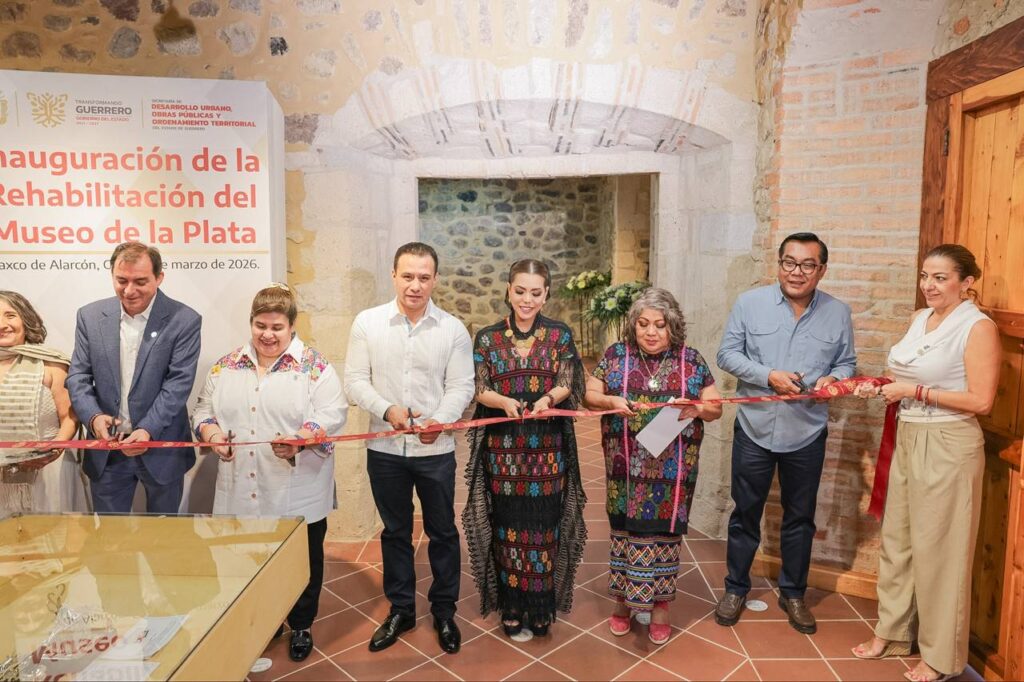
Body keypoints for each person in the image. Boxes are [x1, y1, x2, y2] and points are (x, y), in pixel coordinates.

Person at [850, 244, 1000, 682]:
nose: (928, 286)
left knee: (942, 553)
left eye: (940, 278)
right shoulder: (921, 319)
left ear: (966, 282)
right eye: (924, 276)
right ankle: (893, 632)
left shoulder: (978, 327)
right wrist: (879, 385)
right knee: (897, 541)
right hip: (909, 434)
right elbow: (909, 375)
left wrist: (911, 393)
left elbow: (981, 401)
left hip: (949, 443)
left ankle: (940, 657)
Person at [193, 283, 347, 662]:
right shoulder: (226, 366)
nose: (267, 334)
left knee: (301, 561)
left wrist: (300, 440)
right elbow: (203, 410)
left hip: (297, 489)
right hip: (240, 487)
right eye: (260, 325)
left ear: (292, 326)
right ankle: (266, 619)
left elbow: (333, 414)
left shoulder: (314, 367)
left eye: (277, 327)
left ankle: (301, 624)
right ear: (251, 323)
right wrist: (212, 435)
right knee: (250, 558)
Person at [715, 232, 856, 634]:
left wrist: (833, 378)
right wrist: (768, 376)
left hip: (807, 431)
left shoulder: (838, 313)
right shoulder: (750, 303)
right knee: (745, 513)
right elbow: (727, 354)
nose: (797, 272)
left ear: (821, 270)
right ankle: (735, 588)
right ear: (778, 264)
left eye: (808, 265)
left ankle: (793, 593)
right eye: (789, 262)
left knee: (800, 517)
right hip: (754, 428)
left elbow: (847, 363)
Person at [344, 242, 474, 655]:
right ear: (393, 275)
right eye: (407, 276)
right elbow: (355, 381)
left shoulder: (452, 329)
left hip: (435, 451)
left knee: (442, 531)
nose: (415, 285)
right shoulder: (368, 323)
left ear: (435, 280)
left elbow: (462, 385)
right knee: (395, 531)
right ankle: (401, 609)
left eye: (423, 277)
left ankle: (444, 611)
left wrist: (441, 420)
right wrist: (387, 409)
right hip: (385, 448)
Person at [584, 288, 722, 644]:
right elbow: (590, 394)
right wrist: (610, 401)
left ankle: (661, 606)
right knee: (624, 532)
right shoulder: (616, 355)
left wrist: (697, 408)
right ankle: (622, 603)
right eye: (643, 324)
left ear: (672, 325)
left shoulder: (690, 360)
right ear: (633, 324)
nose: (650, 332)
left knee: (664, 534)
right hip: (625, 466)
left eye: (659, 325)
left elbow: (716, 407)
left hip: (672, 470)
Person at [462, 259, 587, 639]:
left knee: (544, 529)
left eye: (535, 292)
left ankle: (540, 604)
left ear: (546, 294)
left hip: (548, 450)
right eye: (520, 291)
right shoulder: (487, 338)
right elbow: (479, 387)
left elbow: (567, 380)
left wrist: (547, 399)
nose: (527, 300)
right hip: (502, 452)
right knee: (507, 528)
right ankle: (513, 604)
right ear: (508, 290)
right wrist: (502, 402)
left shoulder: (560, 334)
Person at [67, 241, 202, 514]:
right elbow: (78, 376)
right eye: (121, 281)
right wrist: (93, 417)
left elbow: (178, 384)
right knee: (110, 535)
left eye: (140, 281)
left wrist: (148, 429)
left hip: (162, 449)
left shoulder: (184, 319)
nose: (129, 291)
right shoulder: (89, 316)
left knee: (164, 535)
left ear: (159, 277)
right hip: (108, 452)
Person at [0, 291, 85, 515]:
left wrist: (55, 448)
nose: (2, 325)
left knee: (50, 534)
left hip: (46, 471)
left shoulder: (51, 363)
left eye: (10, 315)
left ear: (25, 320)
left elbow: (70, 417)